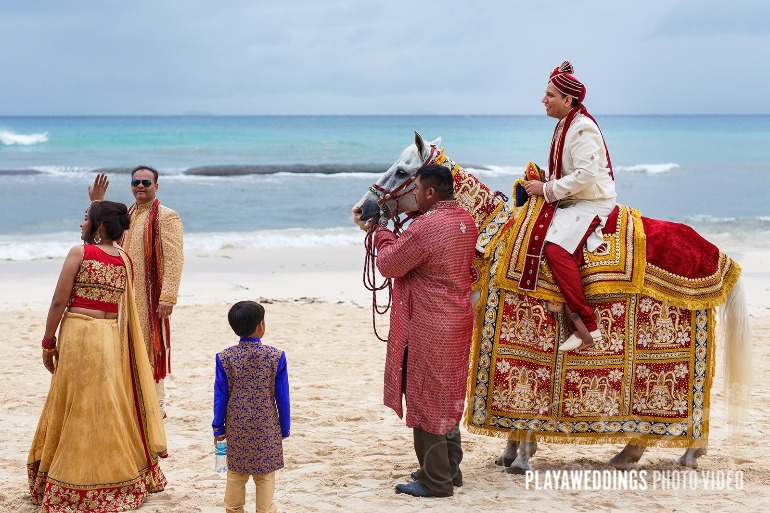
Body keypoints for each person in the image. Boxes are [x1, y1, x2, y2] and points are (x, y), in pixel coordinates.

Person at [27, 200, 167, 513]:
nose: (81, 224)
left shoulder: (79, 253)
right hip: (108, 337)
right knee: (104, 402)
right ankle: (119, 476)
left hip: (79, 333)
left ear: (99, 225)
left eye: (86, 218)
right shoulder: (126, 260)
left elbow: (58, 301)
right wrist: (96, 201)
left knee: (76, 401)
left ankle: (70, 480)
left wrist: (48, 341)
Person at [368, 164, 477, 498]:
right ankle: (449, 469)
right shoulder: (466, 220)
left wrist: (381, 229)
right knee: (445, 395)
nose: (413, 194)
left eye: (416, 189)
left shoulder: (427, 226)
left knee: (425, 397)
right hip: (456, 319)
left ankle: (436, 481)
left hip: (430, 324)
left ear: (430, 193)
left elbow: (389, 263)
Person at [522, 60, 617, 351]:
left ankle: (587, 325)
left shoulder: (581, 128)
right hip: (574, 198)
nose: (543, 100)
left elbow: (586, 176)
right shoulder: (566, 124)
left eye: (550, 95)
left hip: (592, 202)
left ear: (567, 99)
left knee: (554, 248)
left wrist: (547, 188)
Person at [89, 166, 184, 415]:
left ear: (156, 186)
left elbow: (174, 259)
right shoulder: (126, 214)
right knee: (124, 344)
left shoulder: (167, 216)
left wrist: (168, 297)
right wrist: (97, 202)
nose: (140, 186)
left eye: (146, 182)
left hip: (150, 296)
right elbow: (103, 235)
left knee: (150, 346)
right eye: (136, 182)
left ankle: (155, 404)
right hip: (122, 293)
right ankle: (130, 400)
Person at [212, 301, 291, 513]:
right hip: (267, 425)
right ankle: (265, 510)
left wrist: (218, 427)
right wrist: (284, 428)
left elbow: (220, 394)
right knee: (265, 475)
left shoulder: (224, 357)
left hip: (237, 425)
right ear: (261, 326)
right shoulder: (276, 356)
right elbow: (282, 396)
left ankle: (234, 509)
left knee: (236, 474)